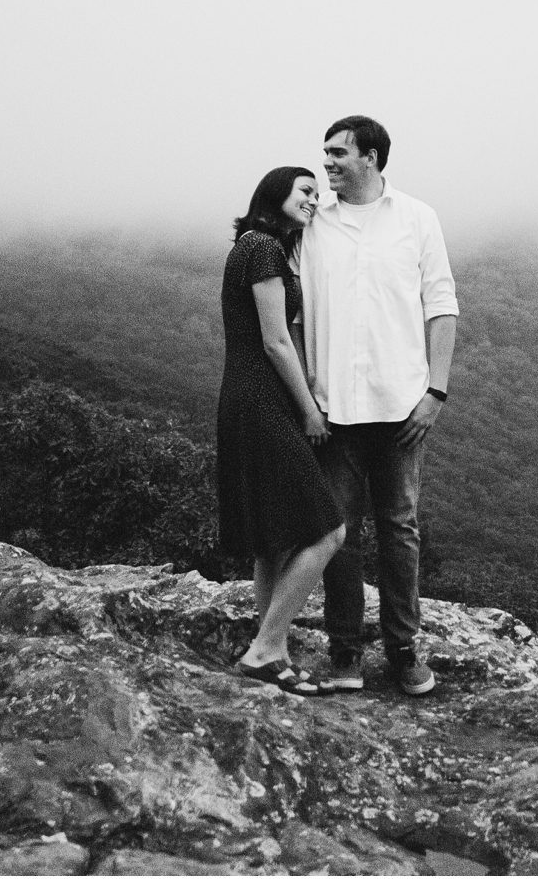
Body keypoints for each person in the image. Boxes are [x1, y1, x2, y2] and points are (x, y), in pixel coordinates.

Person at [299, 115, 458, 696]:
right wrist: (304, 400)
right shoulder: (312, 226)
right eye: (326, 154)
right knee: (339, 533)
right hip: (333, 407)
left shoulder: (417, 219)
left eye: (339, 153)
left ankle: (404, 651)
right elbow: (291, 316)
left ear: (372, 157)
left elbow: (441, 304)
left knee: (400, 530)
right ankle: (344, 656)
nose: (328, 164)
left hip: (401, 407)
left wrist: (435, 390)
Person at [217, 166, 348, 695]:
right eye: (305, 191)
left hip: (246, 400)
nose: (314, 200)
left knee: (272, 539)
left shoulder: (255, 247)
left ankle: (272, 650)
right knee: (327, 530)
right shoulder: (264, 249)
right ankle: (266, 648)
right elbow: (275, 341)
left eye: (318, 193)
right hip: (262, 400)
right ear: (276, 195)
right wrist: (311, 410)